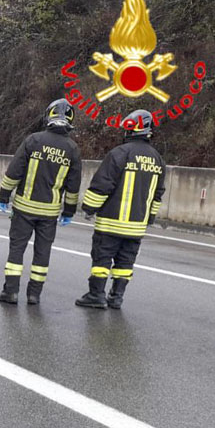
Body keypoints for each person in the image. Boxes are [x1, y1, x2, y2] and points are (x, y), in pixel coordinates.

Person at [75, 109, 166, 310]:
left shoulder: (120, 153)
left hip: (111, 223)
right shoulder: (158, 160)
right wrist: (149, 218)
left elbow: (103, 184)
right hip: (136, 227)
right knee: (125, 263)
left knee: (102, 259)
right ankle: (116, 298)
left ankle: (96, 295)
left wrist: (89, 207)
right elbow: (157, 194)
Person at [0, 99, 82, 305]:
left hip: (24, 208)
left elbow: (14, 172)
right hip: (50, 213)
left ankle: (11, 292)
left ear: (48, 116)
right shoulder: (72, 149)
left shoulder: (33, 140)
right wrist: (69, 211)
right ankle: (34, 294)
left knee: (17, 249)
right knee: (42, 254)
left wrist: (4, 196)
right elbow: (73, 186)